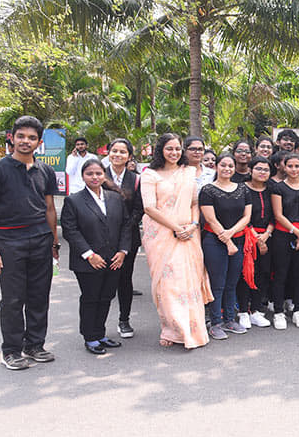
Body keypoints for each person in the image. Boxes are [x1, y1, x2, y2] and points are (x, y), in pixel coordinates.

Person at [0, 116, 60, 370]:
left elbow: (49, 208)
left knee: (39, 296)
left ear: (39, 142)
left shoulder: (45, 171)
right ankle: (11, 350)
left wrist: (54, 243)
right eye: (21, 136)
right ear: (11, 138)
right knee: (13, 299)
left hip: (40, 240)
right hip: (8, 241)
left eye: (32, 137)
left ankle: (34, 345)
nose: (26, 141)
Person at [140, 133, 212, 349]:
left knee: (188, 282)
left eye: (177, 149)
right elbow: (149, 207)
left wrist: (192, 225)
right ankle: (171, 329)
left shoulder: (188, 173)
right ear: (160, 150)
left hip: (188, 234)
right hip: (161, 235)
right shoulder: (150, 174)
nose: (174, 153)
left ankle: (193, 329)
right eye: (169, 148)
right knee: (167, 285)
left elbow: (194, 203)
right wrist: (176, 228)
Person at [61, 160, 132, 354]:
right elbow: (71, 230)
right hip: (88, 262)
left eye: (98, 173)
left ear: (104, 176)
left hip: (114, 259)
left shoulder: (115, 198)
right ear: (83, 176)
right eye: (90, 174)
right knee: (91, 297)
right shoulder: (73, 200)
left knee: (106, 297)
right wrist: (89, 254)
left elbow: (126, 225)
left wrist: (123, 251)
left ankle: (100, 334)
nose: (94, 177)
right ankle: (90, 337)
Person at [200, 153, 252, 339]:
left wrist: (231, 235)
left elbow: (246, 217)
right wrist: (227, 239)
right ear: (216, 167)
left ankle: (230, 319)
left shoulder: (243, 189)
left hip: (237, 240)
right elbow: (210, 219)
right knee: (218, 284)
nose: (227, 169)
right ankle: (215, 322)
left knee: (232, 283)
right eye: (223, 165)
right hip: (215, 241)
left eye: (231, 166)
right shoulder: (208, 190)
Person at [270, 153, 299, 329]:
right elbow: (278, 215)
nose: (294, 169)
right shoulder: (278, 188)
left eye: (297, 166)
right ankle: (279, 312)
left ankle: (298, 310)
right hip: (283, 235)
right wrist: (295, 231)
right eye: (290, 166)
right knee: (281, 273)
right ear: (284, 167)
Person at [105, 138, 143, 338]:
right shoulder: (97, 174)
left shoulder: (135, 179)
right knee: (103, 280)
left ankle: (124, 320)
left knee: (124, 279)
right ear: (108, 152)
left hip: (128, 237)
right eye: (114, 151)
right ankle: (97, 325)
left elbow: (139, 209)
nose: (118, 155)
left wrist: (125, 227)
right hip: (101, 236)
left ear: (129, 156)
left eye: (122, 152)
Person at [236, 156, 274, 328]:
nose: (262, 172)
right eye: (259, 169)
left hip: (267, 237)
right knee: (246, 274)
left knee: (263, 274)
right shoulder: (241, 189)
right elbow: (242, 215)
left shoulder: (271, 189)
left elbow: (275, 215)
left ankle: (257, 310)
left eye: (266, 170)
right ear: (251, 170)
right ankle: (243, 311)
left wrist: (266, 234)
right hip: (246, 236)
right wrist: (256, 238)